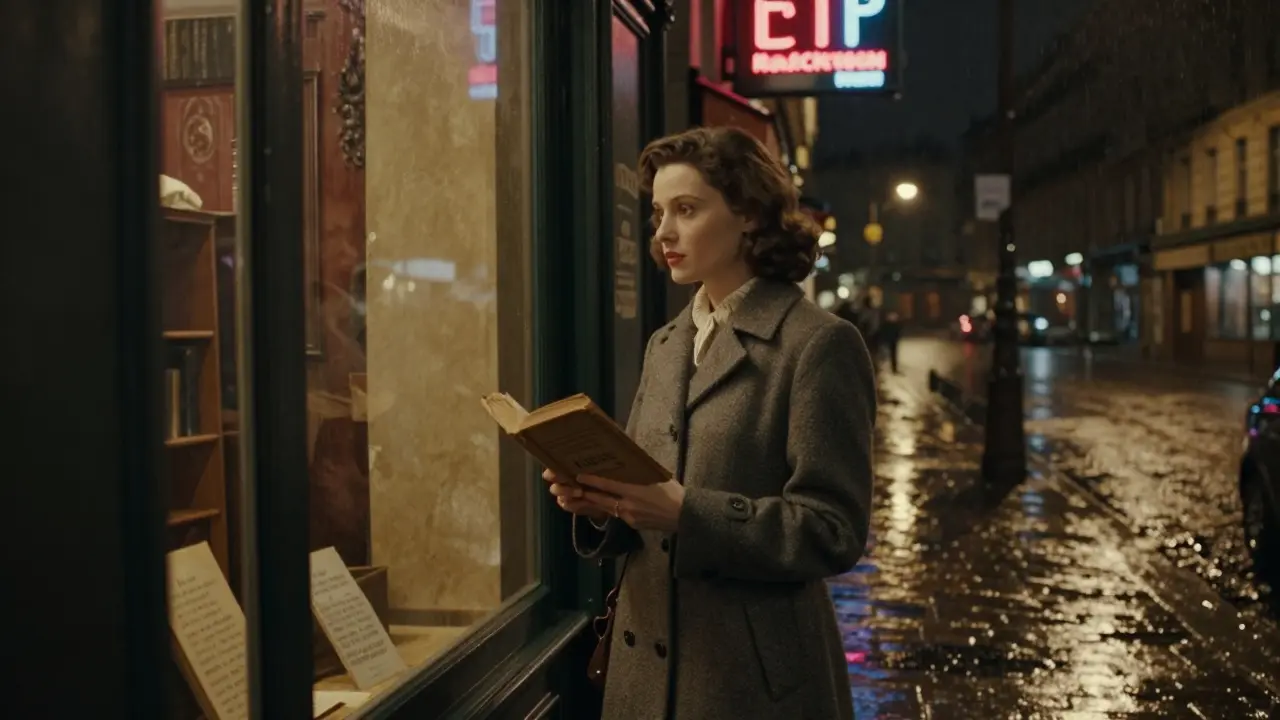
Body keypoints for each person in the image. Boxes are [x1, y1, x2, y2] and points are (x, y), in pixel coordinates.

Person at [542, 126, 875, 720]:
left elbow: (833, 529)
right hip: (642, 677)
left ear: (747, 214)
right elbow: (648, 500)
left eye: (686, 210)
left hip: (746, 683)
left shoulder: (817, 345)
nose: (663, 232)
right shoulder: (667, 344)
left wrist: (686, 512)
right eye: (658, 213)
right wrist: (601, 503)